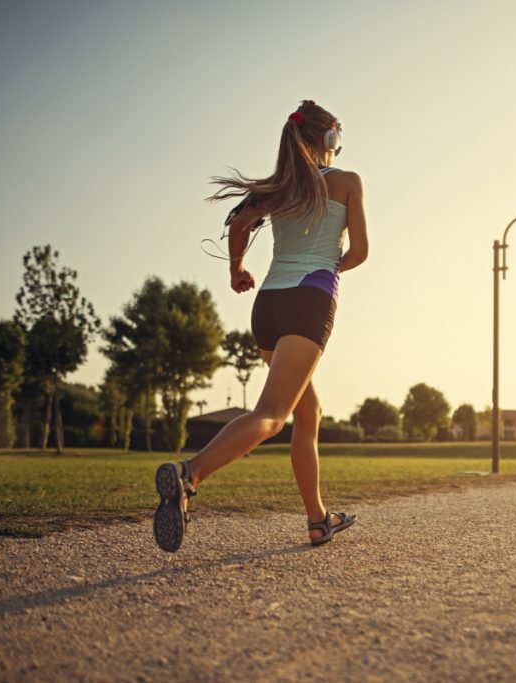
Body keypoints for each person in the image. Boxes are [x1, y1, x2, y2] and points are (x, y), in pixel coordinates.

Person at [153, 100, 368, 552]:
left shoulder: (276, 188)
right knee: (271, 416)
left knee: (307, 412)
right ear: (330, 140)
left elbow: (238, 225)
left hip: (267, 306)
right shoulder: (347, 182)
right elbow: (361, 252)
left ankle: (318, 519)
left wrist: (237, 272)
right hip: (309, 300)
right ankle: (189, 475)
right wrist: (327, 270)